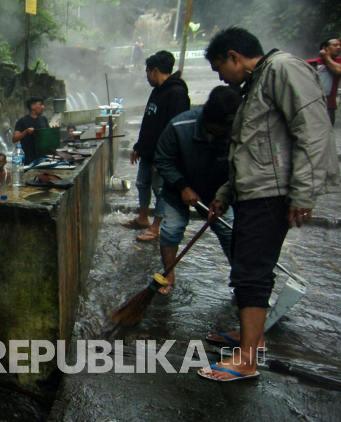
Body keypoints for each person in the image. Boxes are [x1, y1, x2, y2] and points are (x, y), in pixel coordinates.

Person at [202, 27, 338, 382]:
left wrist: (304, 192)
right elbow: (249, 148)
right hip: (255, 191)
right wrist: (226, 193)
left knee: (252, 272)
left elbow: (313, 129)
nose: (222, 78)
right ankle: (250, 338)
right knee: (249, 269)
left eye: (220, 68)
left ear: (234, 56)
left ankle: (247, 359)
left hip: (271, 194)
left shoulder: (283, 69)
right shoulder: (257, 82)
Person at [153, 85, 242, 294]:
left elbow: (242, 166)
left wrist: (225, 196)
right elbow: (163, 160)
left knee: (231, 233)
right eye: (220, 128)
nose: (224, 132)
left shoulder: (239, 131)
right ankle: (169, 275)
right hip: (178, 189)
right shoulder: (179, 126)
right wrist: (183, 186)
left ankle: (241, 281)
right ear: (207, 119)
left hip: (219, 192)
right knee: (171, 230)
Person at [123, 50, 190, 242]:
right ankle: (143, 218)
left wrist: (164, 158)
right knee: (142, 183)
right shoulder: (157, 91)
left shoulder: (177, 93)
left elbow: (174, 129)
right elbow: (149, 122)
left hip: (162, 155)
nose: (146, 77)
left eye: (147, 72)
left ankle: (156, 226)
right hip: (148, 152)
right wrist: (139, 146)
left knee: (160, 189)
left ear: (155, 71)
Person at [306, 38, 341, 125]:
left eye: (339, 45)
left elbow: (338, 71)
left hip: (329, 105)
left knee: (328, 133)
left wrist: (326, 57)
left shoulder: (339, 61)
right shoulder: (310, 63)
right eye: (335, 45)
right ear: (325, 48)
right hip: (311, 104)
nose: (338, 47)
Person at [12, 96, 49, 164]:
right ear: (33, 106)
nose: (43, 107)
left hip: (43, 158)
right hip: (28, 159)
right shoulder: (22, 121)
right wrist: (25, 132)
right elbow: (14, 139)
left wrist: (54, 129)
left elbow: (48, 137)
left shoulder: (43, 119)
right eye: (40, 104)